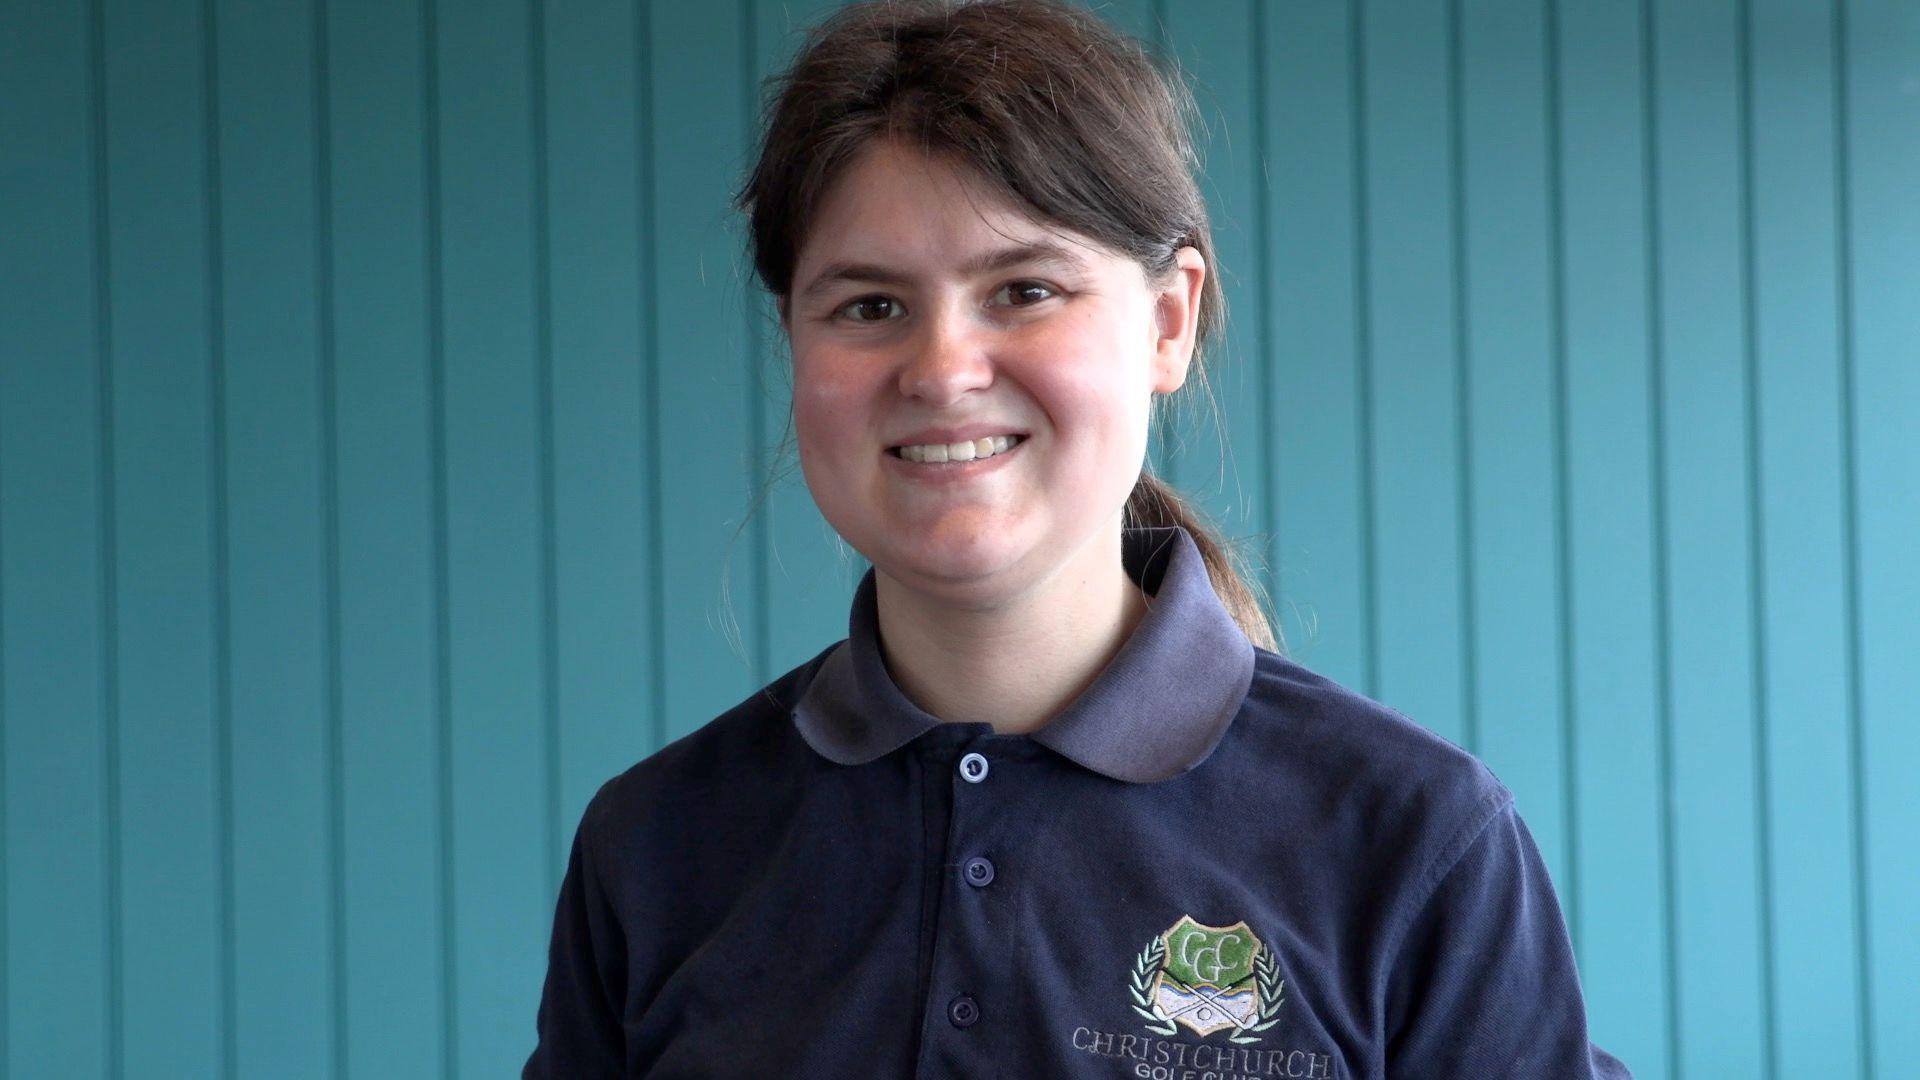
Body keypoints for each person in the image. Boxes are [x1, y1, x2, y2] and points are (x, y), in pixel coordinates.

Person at [525, 0, 1632, 1076]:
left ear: (1167, 320)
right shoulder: (656, 846)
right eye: (869, 306)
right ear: (794, 341)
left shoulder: (1417, 841)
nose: (944, 369)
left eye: (1024, 290)